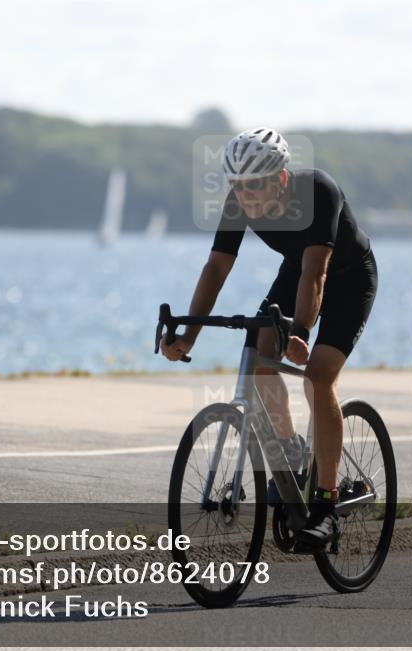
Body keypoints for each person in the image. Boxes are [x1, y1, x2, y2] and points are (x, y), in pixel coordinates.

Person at [160, 127, 378, 552]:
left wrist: (300, 332)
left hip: (348, 279)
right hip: (298, 273)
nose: (246, 198)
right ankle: (294, 456)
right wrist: (188, 335)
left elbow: (317, 273)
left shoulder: (317, 191)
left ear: (280, 179)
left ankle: (328, 506)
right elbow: (216, 269)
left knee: (317, 377)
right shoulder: (238, 201)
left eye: (255, 187)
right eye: (238, 188)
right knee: (260, 356)